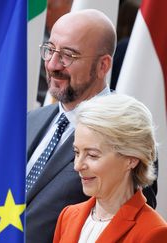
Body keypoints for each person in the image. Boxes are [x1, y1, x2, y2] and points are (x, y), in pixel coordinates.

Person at [25, 9, 157, 243]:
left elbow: (132, 225)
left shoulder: (127, 131)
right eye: (50, 50)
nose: (53, 64)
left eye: (68, 55)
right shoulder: (31, 121)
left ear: (103, 66)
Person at [54, 94, 167, 242]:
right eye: (76, 152)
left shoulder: (153, 232)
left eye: (92, 155)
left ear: (131, 159)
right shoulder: (67, 216)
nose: (78, 165)